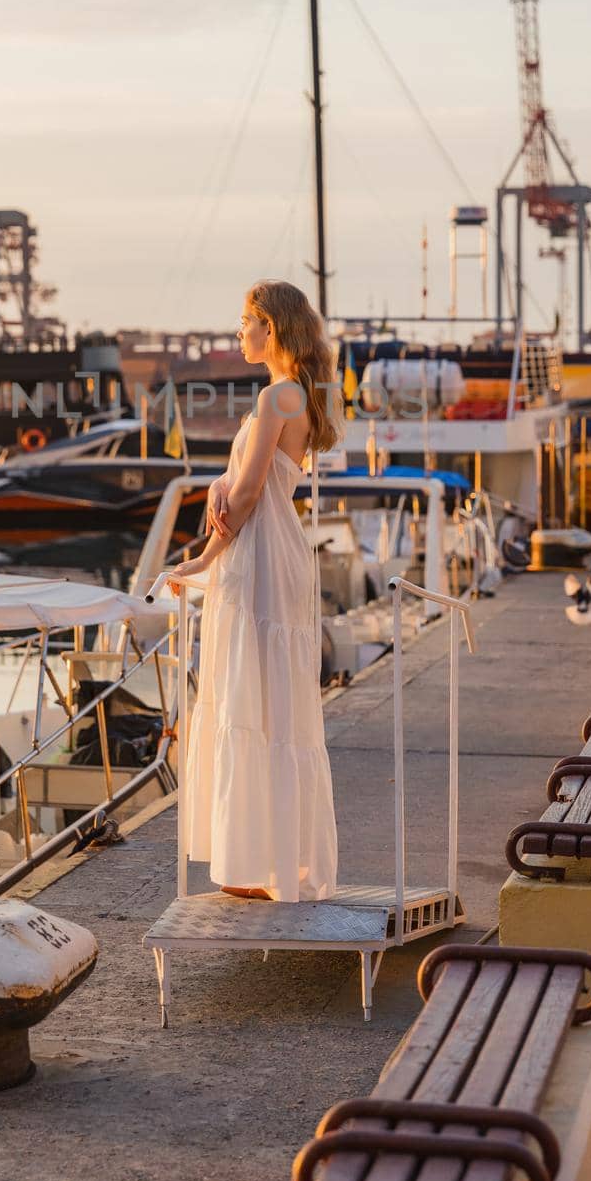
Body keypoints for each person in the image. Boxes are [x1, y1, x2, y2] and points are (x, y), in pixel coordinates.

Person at [168, 279, 342, 902]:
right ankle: (280, 863)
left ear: (270, 327)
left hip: (260, 561)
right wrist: (221, 483)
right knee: (278, 710)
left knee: (250, 702)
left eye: (245, 320)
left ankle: (259, 866)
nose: (238, 331)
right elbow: (246, 482)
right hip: (280, 556)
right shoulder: (299, 395)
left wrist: (199, 561)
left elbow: (244, 500)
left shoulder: (277, 398)